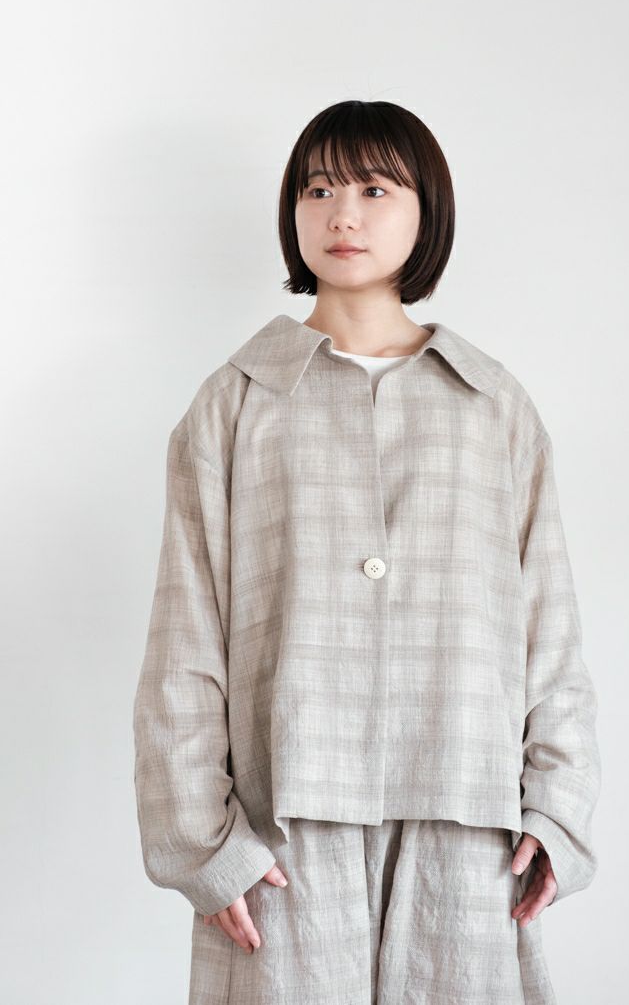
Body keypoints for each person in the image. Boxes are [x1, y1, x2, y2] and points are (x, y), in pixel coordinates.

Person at [132, 99, 601, 1005]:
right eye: (318, 190)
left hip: (468, 814)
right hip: (282, 827)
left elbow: (551, 627)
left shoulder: (492, 406)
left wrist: (559, 806)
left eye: (374, 189)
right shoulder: (235, 404)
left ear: (428, 211)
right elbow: (184, 637)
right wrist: (202, 843)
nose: (342, 213)